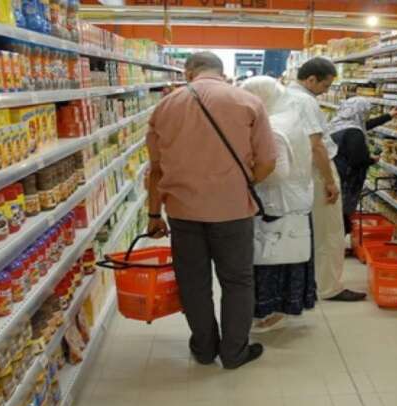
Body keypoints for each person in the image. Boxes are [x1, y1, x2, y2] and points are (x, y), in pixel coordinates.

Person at [145, 52, 277, 369]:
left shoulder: (165, 106)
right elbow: (268, 161)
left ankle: (204, 349)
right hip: (232, 210)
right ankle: (234, 352)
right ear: (222, 71)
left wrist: (153, 214)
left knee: (193, 282)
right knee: (237, 281)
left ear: (189, 72)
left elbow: (156, 169)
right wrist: (243, 183)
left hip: (182, 211)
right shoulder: (248, 102)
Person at [287, 57, 366, 302]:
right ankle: (329, 287)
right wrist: (329, 180)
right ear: (311, 79)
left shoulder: (286, 95)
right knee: (329, 231)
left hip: (298, 170)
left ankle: (312, 281)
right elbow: (317, 145)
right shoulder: (306, 101)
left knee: (313, 230)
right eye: (325, 85)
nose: (326, 91)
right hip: (316, 170)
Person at [241, 76, 316, 332]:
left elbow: (277, 172)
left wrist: (247, 176)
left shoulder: (273, 126)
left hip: (279, 201)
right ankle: (286, 306)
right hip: (297, 197)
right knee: (291, 254)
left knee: (272, 256)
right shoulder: (290, 117)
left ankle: (270, 311)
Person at [328, 97, 397, 233]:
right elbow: (357, 160)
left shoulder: (337, 123)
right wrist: (371, 160)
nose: (367, 115)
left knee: (334, 212)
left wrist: (388, 116)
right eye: (366, 112)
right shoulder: (354, 133)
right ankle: (341, 237)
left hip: (336, 171)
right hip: (347, 179)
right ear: (360, 112)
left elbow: (363, 125)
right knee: (342, 214)